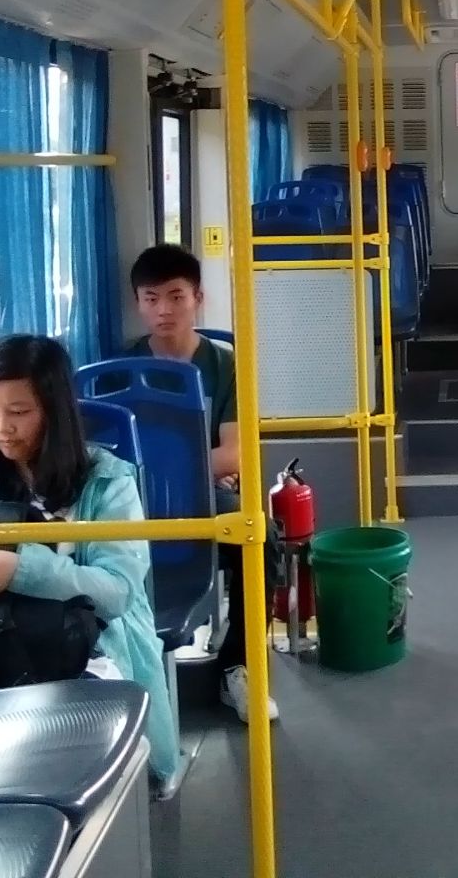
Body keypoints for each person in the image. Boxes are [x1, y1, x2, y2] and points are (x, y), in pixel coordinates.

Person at [0, 335, 179, 786]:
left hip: (88, 645)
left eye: (19, 412)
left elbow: (117, 592)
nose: (2, 428)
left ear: (53, 411)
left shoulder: (106, 484)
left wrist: (21, 572)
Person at [127, 243, 277, 723]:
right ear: (138, 304)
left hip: (204, 496)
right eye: (151, 299)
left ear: (198, 298)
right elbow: (111, 463)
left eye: (176, 296)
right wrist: (200, 463)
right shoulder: (120, 369)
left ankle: (237, 666)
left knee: (262, 542)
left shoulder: (225, 365)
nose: (163, 310)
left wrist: (169, 469)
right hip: (132, 501)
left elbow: (234, 455)